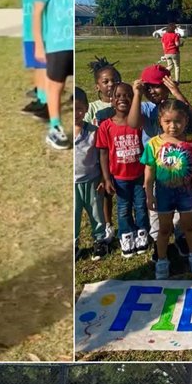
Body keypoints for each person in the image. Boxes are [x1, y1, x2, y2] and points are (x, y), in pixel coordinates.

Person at [143, 98, 192, 279]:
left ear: (186, 121)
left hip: (186, 193)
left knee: (188, 226)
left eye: (178, 121)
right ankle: (162, 260)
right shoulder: (153, 144)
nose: (173, 126)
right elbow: (149, 171)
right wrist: (149, 194)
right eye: (167, 122)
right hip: (163, 193)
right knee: (164, 229)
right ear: (160, 121)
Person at [98, 81, 150, 258]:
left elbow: (144, 147)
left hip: (139, 175)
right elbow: (104, 153)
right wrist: (106, 178)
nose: (123, 98)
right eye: (118, 95)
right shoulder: (106, 126)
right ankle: (126, 235)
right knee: (123, 208)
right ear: (111, 100)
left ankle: (142, 233)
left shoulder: (138, 122)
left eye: (127, 94)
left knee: (141, 206)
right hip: (119, 177)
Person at [29, 0, 74, 150]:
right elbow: (37, 12)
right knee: (55, 85)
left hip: (73, 43)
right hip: (57, 42)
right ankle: (55, 127)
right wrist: (39, 44)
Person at [73, 90, 110, 262]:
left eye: (79, 109)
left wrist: (103, 177)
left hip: (92, 181)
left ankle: (100, 240)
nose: (75, 113)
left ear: (86, 109)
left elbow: (102, 157)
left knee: (96, 213)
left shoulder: (94, 132)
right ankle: (73, 245)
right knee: (73, 215)